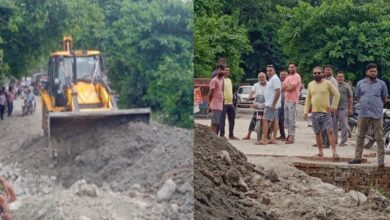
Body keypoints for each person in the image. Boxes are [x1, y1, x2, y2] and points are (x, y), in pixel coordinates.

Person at [349, 63, 388, 167]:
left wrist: (376, 104)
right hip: (363, 113)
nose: (373, 73)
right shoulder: (360, 83)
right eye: (371, 71)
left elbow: (384, 99)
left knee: (379, 137)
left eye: (375, 71)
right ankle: (357, 158)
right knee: (360, 136)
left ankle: (381, 161)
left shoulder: (382, 84)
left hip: (377, 113)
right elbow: (358, 97)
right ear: (367, 72)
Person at [304, 66, 340, 158]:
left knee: (330, 131)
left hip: (326, 112)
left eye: (319, 73)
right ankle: (320, 152)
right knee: (317, 133)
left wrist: (333, 107)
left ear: (322, 73)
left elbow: (337, 94)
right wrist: (305, 111)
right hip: (315, 113)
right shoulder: (310, 84)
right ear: (313, 74)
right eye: (315, 73)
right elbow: (308, 99)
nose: (317, 74)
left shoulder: (327, 83)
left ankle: (334, 152)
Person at [256, 64, 281, 145]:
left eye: (270, 70)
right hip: (271, 103)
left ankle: (264, 139)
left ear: (274, 71)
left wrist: (273, 104)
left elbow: (278, 91)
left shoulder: (274, 79)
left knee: (265, 120)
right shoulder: (272, 79)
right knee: (274, 121)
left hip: (271, 104)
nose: (268, 72)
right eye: (267, 71)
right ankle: (273, 139)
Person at [243, 72, 267, 140]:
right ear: (258, 78)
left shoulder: (269, 84)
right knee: (253, 118)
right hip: (257, 104)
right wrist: (248, 98)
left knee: (268, 119)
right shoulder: (256, 85)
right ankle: (248, 135)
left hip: (266, 104)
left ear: (265, 77)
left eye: (263, 77)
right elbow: (252, 92)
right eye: (260, 77)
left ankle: (268, 135)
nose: (261, 78)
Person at [282, 63, 301, 144]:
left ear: (295, 68)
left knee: (291, 119)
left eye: (292, 67)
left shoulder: (297, 76)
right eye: (289, 67)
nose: (291, 68)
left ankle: (292, 136)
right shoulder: (288, 77)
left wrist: (286, 87)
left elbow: (291, 88)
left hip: (292, 100)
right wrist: (286, 86)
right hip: (286, 99)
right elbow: (282, 86)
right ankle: (289, 134)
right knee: (286, 119)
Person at [219, 67, 239, 140]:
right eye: (226, 70)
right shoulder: (221, 79)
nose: (227, 71)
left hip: (230, 103)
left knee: (232, 119)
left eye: (228, 70)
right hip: (223, 103)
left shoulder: (230, 80)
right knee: (222, 120)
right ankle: (222, 135)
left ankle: (231, 135)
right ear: (222, 71)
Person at [335, 72, 353, 146]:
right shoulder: (334, 85)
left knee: (344, 125)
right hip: (334, 108)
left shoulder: (347, 86)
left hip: (343, 108)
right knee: (333, 125)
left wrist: (350, 108)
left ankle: (343, 141)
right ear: (336, 77)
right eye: (339, 76)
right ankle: (334, 140)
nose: (340, 78)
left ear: (344, 78)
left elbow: (350, 97)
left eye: (341, 76)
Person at [208, 64, 225, 134]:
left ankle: (212, 137)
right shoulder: (214, 80)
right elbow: (210, 93)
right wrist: (209, 104)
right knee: (214, 123)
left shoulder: (221, 80)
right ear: (216, 71)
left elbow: (221, 91)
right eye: (220, 70)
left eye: (223, 70)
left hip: (219, 105)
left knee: (216, 123)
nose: (222, 71)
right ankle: (211, 138)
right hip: (215, 105)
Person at [277, 70, 288, 141]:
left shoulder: (289, 81)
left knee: (286, 120)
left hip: (287, 103)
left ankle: (289, 136)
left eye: (284, 74)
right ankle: (282, 135)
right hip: (278, 104)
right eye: (281, 74)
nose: (283, 76)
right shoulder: (277, 82)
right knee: (279, 120)